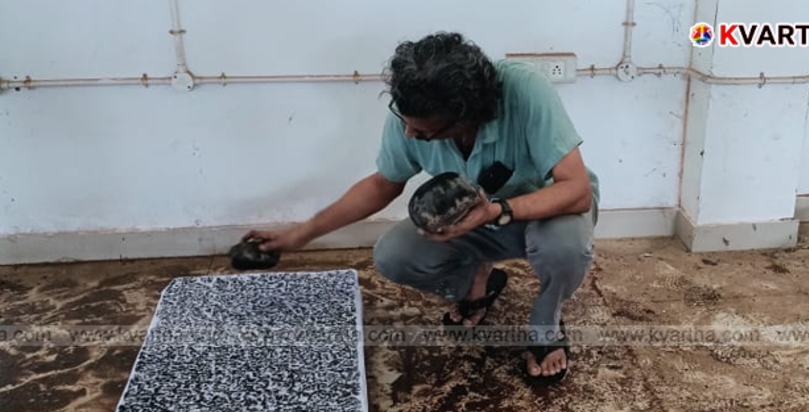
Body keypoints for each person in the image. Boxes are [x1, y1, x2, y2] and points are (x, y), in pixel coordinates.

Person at [245, 32, 600, 386]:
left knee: (564, 247)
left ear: (464, 117)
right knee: (394, 255)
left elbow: (577, 191)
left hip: (549, 210)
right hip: (475, 216)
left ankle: (546, 325)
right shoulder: (411, 113)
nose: (410, 135)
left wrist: (495, 211)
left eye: (424, 132)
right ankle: (479, 277)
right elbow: (382, 184)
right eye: (406, 123)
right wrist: (301, 233)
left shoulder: (526, 91)